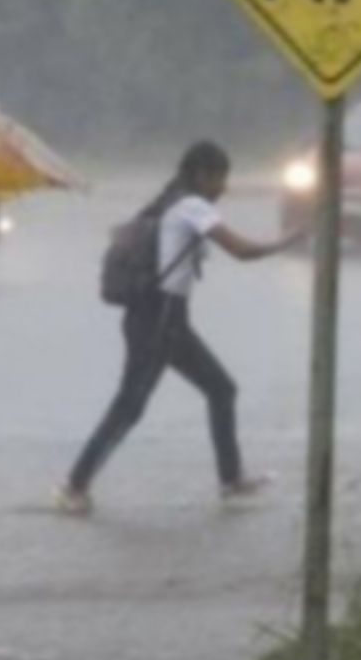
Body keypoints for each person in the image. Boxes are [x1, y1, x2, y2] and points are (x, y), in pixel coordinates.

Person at [58, 143, 300, 517]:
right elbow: (241, 250)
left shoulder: (171, 201)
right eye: (221, 178)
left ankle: (231, 481)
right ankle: (75, 485)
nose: (224, 188)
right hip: (159, 319)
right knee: (130, 406)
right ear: (202, 174)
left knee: (221, 389)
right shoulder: (192, 206)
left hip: (164, 318)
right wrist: (287, 241)